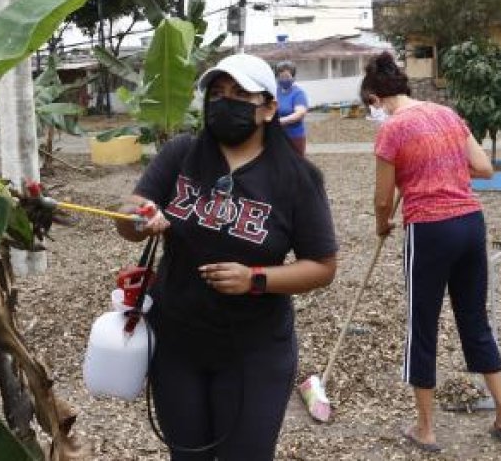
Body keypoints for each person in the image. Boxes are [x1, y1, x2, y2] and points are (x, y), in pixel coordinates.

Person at [115, 53, 338, 460]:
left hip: (255, 352)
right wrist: (140, 218)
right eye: (217, 94)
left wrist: (255, 278)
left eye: (239, 94)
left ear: (268, 108)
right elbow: (129, 217)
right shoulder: (180, 154)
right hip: (177, 345)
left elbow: (322, 267)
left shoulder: (296, 179)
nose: (225, 102)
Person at [363, 52, 501, 453]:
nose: (372, 114)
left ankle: (426, 429)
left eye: (370, 107)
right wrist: (441, 167)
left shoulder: (392, 129)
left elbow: (383, 200)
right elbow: (483, 167)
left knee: (422, 324)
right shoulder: (447, 114)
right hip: (470, 224)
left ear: (376, 99)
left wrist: (383, 225)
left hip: (430, 231)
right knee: (474, 319)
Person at [274, 60, 310, 156]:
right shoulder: (274, 92)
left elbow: (300, 113)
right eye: (281, 76)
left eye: (287, 76)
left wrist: (279, 121)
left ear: (293, 77)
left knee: (295, 165)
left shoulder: (298, 93)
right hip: (277, 136)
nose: (284, 79)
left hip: (294, 137)